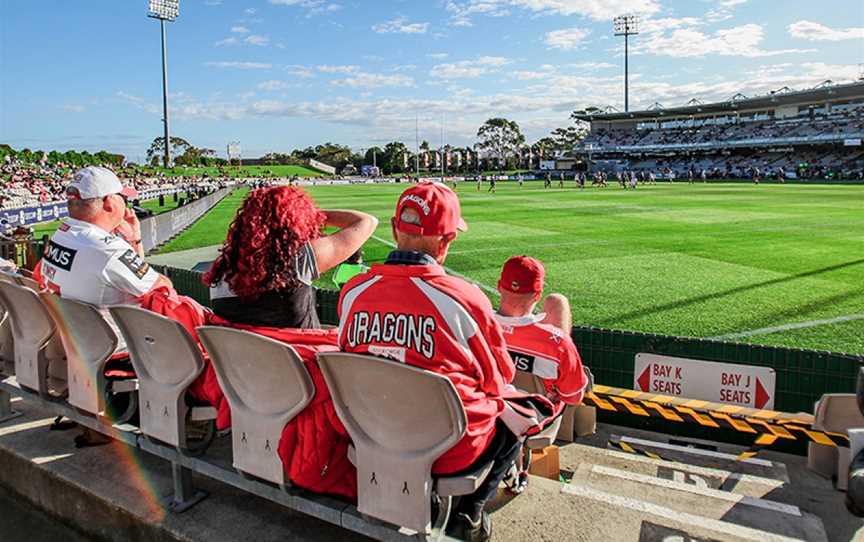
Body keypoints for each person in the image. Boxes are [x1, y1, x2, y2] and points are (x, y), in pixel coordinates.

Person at [337, 182, 518, 541]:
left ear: (393, 229)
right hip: (446, 449)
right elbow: (498, 380)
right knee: (514, 420)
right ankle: (472, 512)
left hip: (367, 435)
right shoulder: (465, 298)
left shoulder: (352, 292)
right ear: (447, 240)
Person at [204, 185, 377, 329]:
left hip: (244, 366)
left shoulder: (221, 273)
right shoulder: (298, 260)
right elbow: (367, 222)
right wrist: (308, 216)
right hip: (302, 363)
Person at [37, 167, 172, 343]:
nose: (127, 204)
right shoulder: (108, 250)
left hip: (74, 343)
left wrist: (133, 240)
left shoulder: (63, 234)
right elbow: (161, 288)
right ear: (109, 202)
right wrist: (130, 243)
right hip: (119, 350)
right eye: (123, 198)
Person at [493, 256, 588, 491]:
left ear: (498, 286)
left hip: (488, 410)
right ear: (537, 295)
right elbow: (573, 397)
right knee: (558, 303)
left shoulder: (476, 325)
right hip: (535, 422)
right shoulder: (557, 343)